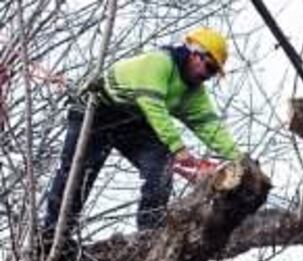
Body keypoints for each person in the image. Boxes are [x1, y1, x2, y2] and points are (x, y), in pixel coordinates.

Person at [43, 27, 240, 238]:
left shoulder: (193, 92)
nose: (206, 76)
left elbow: (210, 126)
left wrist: (239, 159)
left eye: (212, 74)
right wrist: (178, 147)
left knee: (161, 166)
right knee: (77, 174)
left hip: (132, 122)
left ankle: (149, 233)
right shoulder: (159, 62)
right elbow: (152, 105)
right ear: (194, 54)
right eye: (208, 67)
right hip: (96, 111)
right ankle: (53, 236)